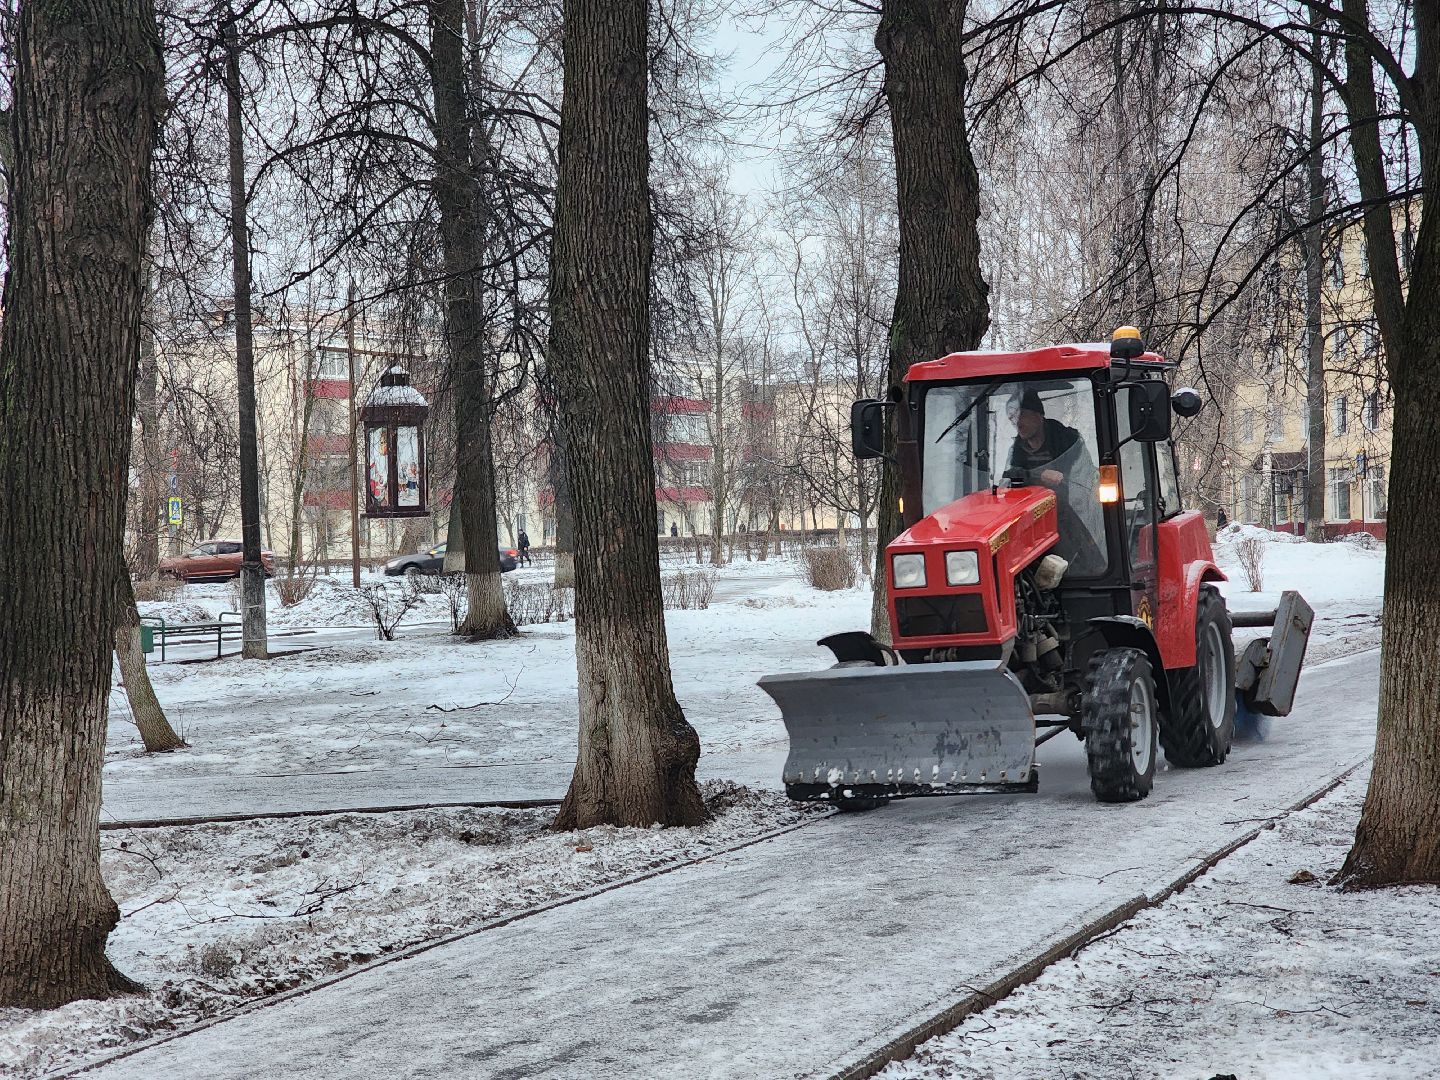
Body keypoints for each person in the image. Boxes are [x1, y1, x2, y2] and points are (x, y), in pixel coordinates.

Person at [1007, 388, 1104, 574]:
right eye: (1013, 417)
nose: (1018, 423)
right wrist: (1038, 475)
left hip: (1069, 514)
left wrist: (1058, 480)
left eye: (1023, 415)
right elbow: (1011, 477)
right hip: (1034, 517)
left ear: (1039, 415)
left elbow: (1080, 485)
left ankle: (1092, 566)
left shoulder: (1068, 441)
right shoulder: (1018, 447)